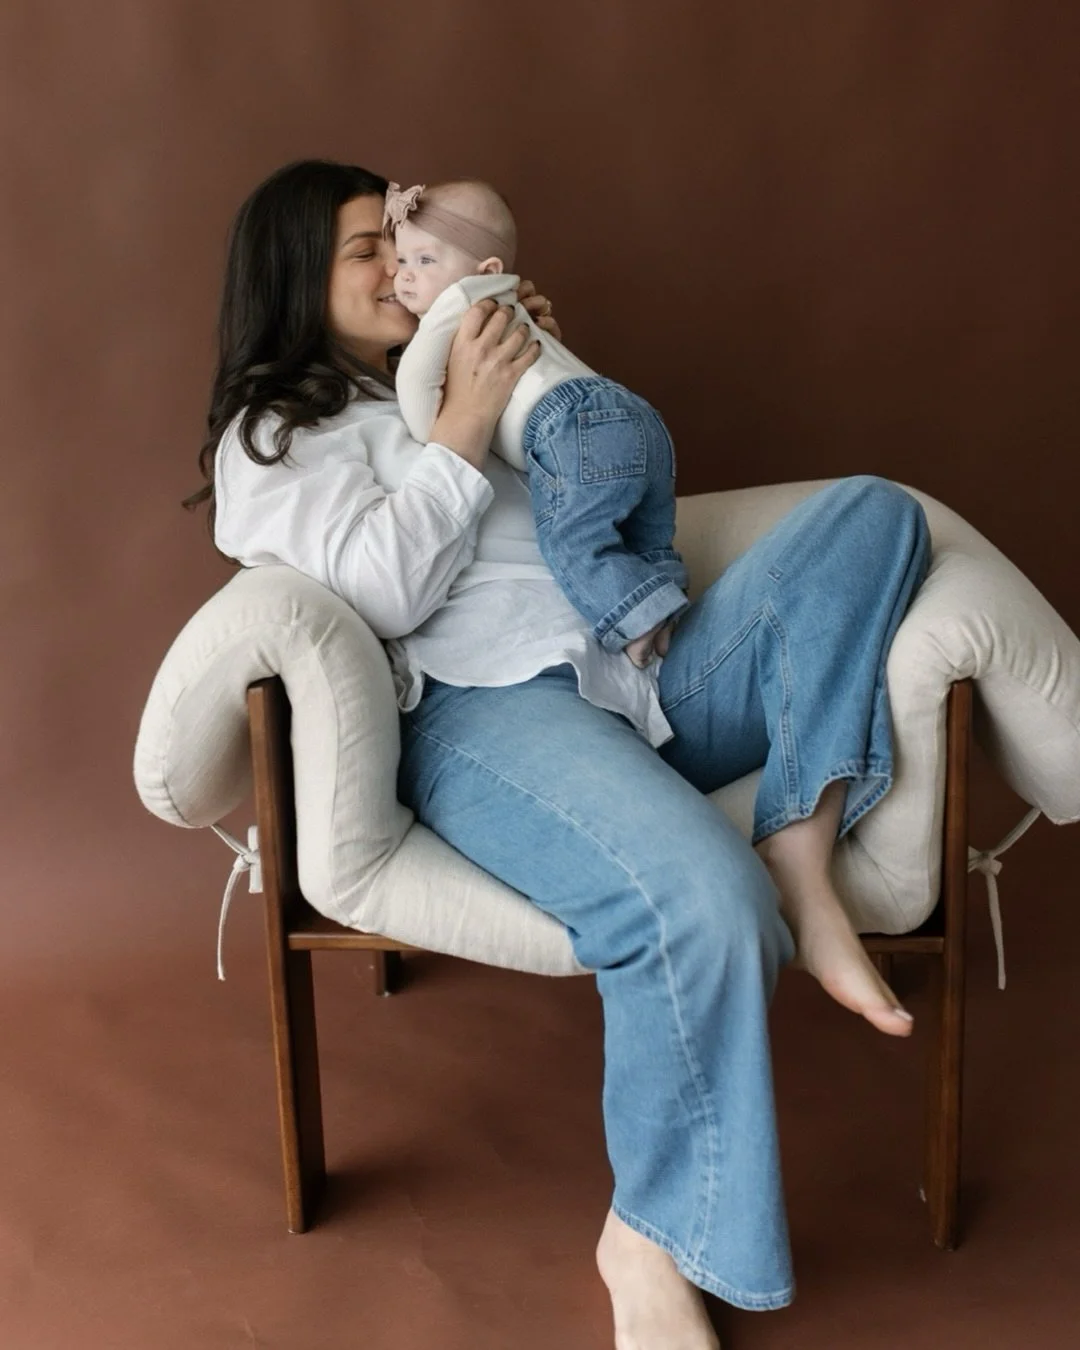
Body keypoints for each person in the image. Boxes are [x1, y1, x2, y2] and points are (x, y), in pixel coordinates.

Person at [188, 158, 931, 1350]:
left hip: (633, 679)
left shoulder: (439, 369)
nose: (399, 260)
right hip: (483, 717)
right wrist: (467, 424)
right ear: (293, 278)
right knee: (700, 900)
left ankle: (802, 836)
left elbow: (594, 523)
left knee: (878, 514)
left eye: (401, 238)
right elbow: (377, 590)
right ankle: (651, 1235)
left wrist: (553, 398)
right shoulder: (275, 439)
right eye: (367, 249)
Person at [386, 177, 687, 669]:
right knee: (643, 535)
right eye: (401, 260)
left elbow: (417, 381)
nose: (403, 277)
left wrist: (433, 426)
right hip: (631, 411)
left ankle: (639, 620)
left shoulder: (460, 301)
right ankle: (667, 606)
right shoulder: (512, 303)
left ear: (485, 270)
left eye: (424, 261)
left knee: (573, 539)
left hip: (567, 423)